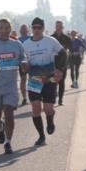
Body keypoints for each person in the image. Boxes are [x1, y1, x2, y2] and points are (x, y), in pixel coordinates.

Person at [0, 17, 28, 156]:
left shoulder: (17, 45)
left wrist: (24, 63)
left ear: (10, 29)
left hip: (10, 86)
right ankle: (0, 127)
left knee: (9, 113)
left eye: (6, 28)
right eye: (1, 28)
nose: (4, 30)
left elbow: (23, 58)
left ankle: (8, 142)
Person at [22, 17, 65, 146]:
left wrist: (60, 70)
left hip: (49, 78)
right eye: (34, 27)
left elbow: (63, 54)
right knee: (36, 108)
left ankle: (50, 121)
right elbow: (23, 62)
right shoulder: (25, 45)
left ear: (43, 28)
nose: (36, 30)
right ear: (31, 28)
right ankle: (41, 136)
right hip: (34, 79)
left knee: (48, 109)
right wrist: (24, 67)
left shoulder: (51, 41)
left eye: (39, 28)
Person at [51, 20, 72, 106]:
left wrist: (68, 63)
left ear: (62, 27)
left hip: (63, 64)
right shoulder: (51, 38)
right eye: (57, 26)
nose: (58, 27)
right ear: (55, 27)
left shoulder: (67, 38)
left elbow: (70, 51)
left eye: (60, 26)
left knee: (61, 82)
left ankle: (60, 99)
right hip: (53, 64)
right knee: (53, 82)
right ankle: (53, 97)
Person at [17, 23, 31, 105]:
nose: (24, 31)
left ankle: (35, 96)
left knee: (34, 79)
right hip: (22, 62)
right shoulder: (18, 41)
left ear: (28, 30)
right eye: (22, 30)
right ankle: (25, 98)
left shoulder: (31, 38)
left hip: (32, 61)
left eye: (25, 29)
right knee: (23, 80)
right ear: (20, 31)